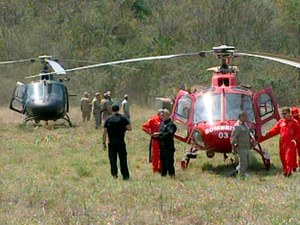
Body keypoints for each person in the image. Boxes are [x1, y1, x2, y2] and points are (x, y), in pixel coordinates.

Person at [266, 107, 300, 177]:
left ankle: (288, 172)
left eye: (285, 114)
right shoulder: (281, 122)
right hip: (282, 142)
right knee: (283, 157)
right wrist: (268, 133)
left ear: (289, 113)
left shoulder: (295, 123)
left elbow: (298, 133)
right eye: (282, 114)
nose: (283, 115)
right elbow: (275, 129)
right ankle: (287, 169)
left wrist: (295, 140)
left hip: (291, 143)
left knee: (289, 157)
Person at [102, 103, 132, 180]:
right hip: (121, 142)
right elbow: (129, 128)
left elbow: (104, 132)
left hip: (111, 142)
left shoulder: (108, 119)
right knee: (123, 159)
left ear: (112, 109)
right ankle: (125, 175)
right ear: (118, 109)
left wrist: (104, 143)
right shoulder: (123, 118)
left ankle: (114, 174)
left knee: (112, 159)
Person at [152, 109, 177, 177]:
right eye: (161, 114)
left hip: (168, 147)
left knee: (169, 162)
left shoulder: (171, 124)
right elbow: (160, 133)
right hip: (162, 147)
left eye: (163, 114)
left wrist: (160, 134)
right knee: (163, 163)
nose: (161, 116)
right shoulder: (162, 123)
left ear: (168, 115)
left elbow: (169, 134)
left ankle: (171, 175)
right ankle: (163, 175)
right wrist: (155, 136)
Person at [230, 111, 253, 179]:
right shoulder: (237, 126)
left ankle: (236, 172)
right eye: (245, 116)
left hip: (247, 147)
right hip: (241, 147)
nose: (246, 118)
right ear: (241, 117)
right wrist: (233, 148)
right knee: (243, 163)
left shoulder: (245, 125)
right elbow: (232, 138)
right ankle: (241, 176)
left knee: (247, 162)